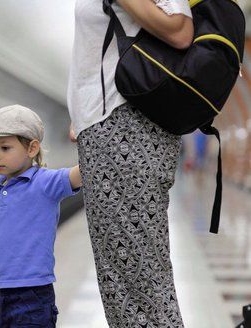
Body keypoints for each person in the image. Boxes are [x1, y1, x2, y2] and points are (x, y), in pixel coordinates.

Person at [68, 0, 194, 326]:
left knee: (140, 283)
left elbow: (180, 29)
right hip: (104, 128)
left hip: (125, 131)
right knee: (121, 280)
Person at [0, 104, 82, 327]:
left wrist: (89, 137)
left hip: (34, 293)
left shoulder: (45, 183)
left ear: (32, 148)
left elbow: (83, 172)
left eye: (5, 148)